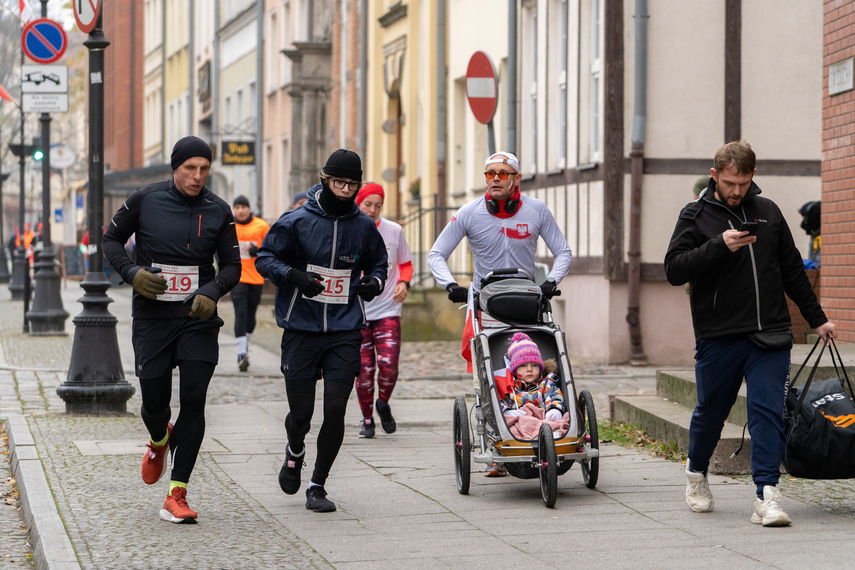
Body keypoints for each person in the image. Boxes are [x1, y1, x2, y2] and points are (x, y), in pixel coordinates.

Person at [665, 140, 836, 527]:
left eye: (742, 182)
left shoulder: (769, 212)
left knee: (766, 412)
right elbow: (675, 269)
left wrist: (817, 318)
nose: (736, 190)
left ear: (752, 176)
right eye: (728, 182)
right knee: (711, 412)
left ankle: (766, 494)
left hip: (771, 334)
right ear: (715, 176)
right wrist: (718, 246)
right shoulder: (695, 215)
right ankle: (696, 473)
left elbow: (792, 269)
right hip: (719, 334)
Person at [102, 135, 241, 524]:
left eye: (204, 169)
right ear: (174, 169)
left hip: (197, 320)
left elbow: (232, 266)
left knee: (194, 401)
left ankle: (176, 494)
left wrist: (212, 291)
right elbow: (110, 240)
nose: (198, 177)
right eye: (189, 169)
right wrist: (131, 272)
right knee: (154, 402)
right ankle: (159, 438)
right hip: (153, 318)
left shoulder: (219, 210)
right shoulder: (145, 199)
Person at [256, 149, 388, 513]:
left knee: (334, 410)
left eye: (352, 184)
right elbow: (266, 258)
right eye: (339, 183)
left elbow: (379, 262)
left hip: (345, 329)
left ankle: (317, 484)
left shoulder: (363, 226)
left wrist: (374, 282)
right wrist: (294, 276)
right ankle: (294, 450)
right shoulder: (296, 220)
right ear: (324, 179)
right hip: (301, 328)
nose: (345, 190)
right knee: (301, 413)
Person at [427, 150, 573, 474]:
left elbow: (563, 251)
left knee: (532, 370)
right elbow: (436, 254)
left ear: (516, 179)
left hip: (527, 303)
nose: (495, 178)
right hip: (484, 307)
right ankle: (495, 446)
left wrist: (549, 282)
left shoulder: (536, 211)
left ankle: (542, 422)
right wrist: (452, 286)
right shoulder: (469, 213)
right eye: (490, 173)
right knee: (487, 378)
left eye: (502, 173)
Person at [353, 183, 413, 438]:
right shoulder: (349, 228)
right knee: (364, 370)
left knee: (388, 365)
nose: (373, 210)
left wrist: (404, 282)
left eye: (378, 205)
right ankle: (367, 419)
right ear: (359, 203)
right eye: (368, 204)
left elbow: (406, 263)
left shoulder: (393, 230)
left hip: (388, 307)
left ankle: (383, 403)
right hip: (358, 312)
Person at [230, 195, 270, 371]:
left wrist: (259, 252)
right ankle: (240, 353)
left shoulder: (261, 226)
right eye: (237, 207)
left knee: (251, 315)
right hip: (237, 277)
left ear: (249, 208)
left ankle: (245, 345)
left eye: (243, 207)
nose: (240, 210)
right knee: (240, 311)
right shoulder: (229, 226)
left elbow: (271, 249)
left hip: (256, 276)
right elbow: (218, 248)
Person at [499, 333, 565, 421]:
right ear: (514, 370)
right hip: (519, 422)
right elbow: (499, 403)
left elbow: (554, 396)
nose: (529, 369)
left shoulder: (546, 383)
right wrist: (507, 412)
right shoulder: (510, 387)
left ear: (540, 368)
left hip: (544, 422)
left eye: (534, 365)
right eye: (523, 366)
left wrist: (555, 409)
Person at [798, 200, 821, 267]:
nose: (801, 220)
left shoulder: (821, 239)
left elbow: (819, 266)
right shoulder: (814, 236)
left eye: (803, 217)